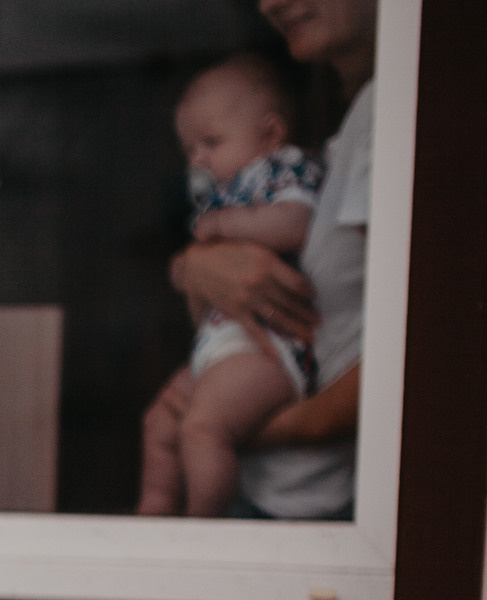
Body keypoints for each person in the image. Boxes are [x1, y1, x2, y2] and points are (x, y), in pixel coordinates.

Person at [158, 0, 378, 521]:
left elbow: (425, 348)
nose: (268, 4)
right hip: (272, 486)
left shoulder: (394, 113)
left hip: (318, 502)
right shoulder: (343, 132)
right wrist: (197, 266)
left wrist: (229, 427)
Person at [138, 56, 322, 517]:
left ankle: (205, 527)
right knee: (160, 420)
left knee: (203, 430)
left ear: (271, 134)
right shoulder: (222, 194)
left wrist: (230, 224)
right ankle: (154, 509)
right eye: (190, 150)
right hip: (222, 345)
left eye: (211, 142)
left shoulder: (283, 169)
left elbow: (295, 223)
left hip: (269, 350)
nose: (198, 158)